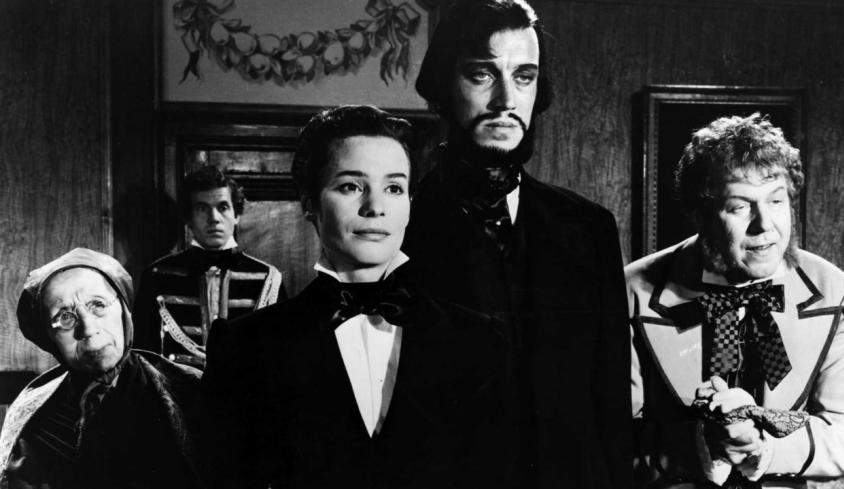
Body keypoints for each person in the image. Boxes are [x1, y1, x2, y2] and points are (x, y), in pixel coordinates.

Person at [202, 105, 507, 489]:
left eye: (394, 188)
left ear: (409, 205)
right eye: (351, 186)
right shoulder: (244, 346)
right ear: (309, 202)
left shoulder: (478, 340)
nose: (375, 207)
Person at [402, 1, 632, 487]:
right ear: (443, 86)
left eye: (524, 77)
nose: (506, 99)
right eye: (482, 74)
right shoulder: (401, 227)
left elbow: (611, 410)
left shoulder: (588, 228)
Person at [625, 113, 844, 488]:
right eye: (740, 207)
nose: (765, 226)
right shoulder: (632, 293)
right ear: (700, 215)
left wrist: (763, 449)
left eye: (777, 201)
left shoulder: (835, 291)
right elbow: (609, 439)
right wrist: (704, 444)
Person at [0, 248, 204, 489]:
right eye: (65, 317)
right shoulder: (32, 417)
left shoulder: (193, 391)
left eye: (98, 304)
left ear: (124, 310)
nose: (88, 329)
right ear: (48, 337)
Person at [133, 165, 285, 368]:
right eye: (202, 208)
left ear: (236, 215)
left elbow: (280, 356)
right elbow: (142, 357)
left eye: (223, 207)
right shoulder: (156, 277)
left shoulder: (268, 279)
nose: (214, 218)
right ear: (188, 218)